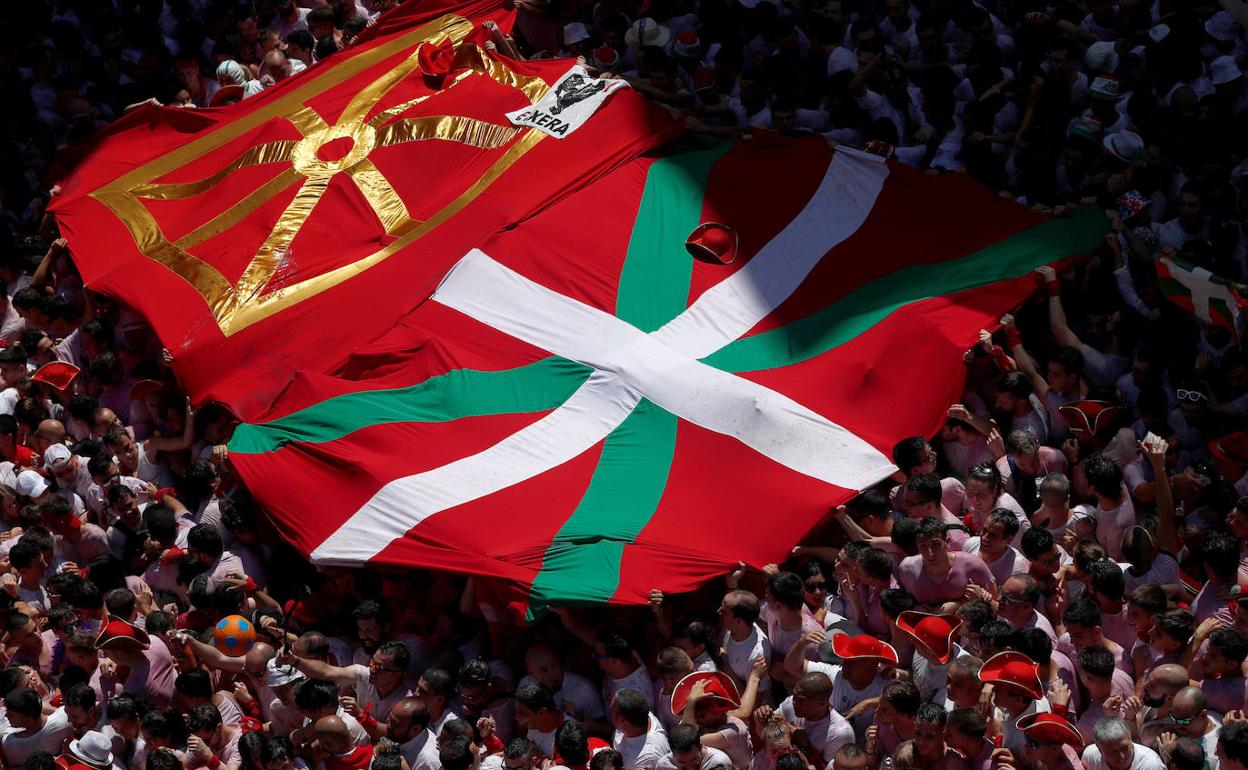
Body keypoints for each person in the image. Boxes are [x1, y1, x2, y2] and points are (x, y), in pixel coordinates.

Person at [1082, 718, 1165, 770]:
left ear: (1130, 739)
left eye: (1124, 748)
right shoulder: (1090, 756)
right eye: (1112, 752)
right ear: (1100, 750)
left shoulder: (1152, 766)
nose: (1121, 756)